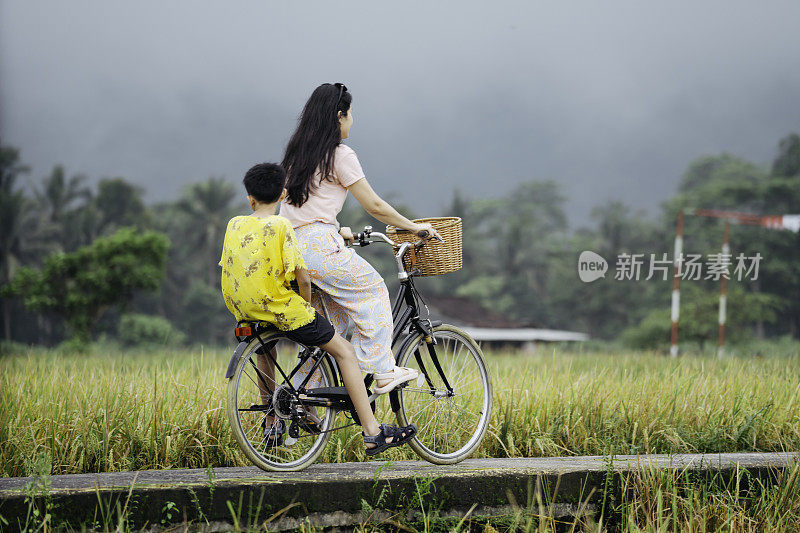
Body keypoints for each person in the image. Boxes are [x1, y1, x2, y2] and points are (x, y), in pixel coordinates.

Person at [219, 162, 416, 455]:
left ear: (250, 198)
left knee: (264, 351)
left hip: (245, 310)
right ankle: (373, 432)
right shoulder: (282, 226)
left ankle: (271, 422)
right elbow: (303, 276)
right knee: (345, 351)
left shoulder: (234, 223)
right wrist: (308, 306)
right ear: (284, 193)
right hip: (282, 308)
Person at [280, 83, 442, 392]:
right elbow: (374, 205)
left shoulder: (296, 155)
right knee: (374, 291)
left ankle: (303, 400)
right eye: (350, 114)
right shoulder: (339, 154)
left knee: (330, 329)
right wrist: (414, 227)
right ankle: (383, 370)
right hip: (318, 249)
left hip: (290, 249)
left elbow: (304, 208)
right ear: (339, 116)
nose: (352, 120)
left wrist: (337, 229)